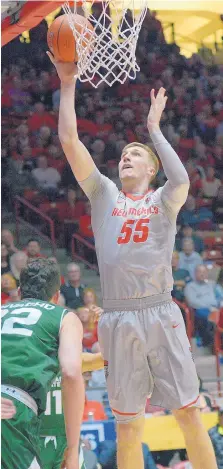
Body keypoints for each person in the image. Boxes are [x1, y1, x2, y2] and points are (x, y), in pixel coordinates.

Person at [49, 48, 217, 469]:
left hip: (160, 310)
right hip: (118, 316)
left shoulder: (164, 199)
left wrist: (153, 130)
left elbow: (182, 178)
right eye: (123, 153)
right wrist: (68, 83)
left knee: (188, 414)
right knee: (128, 426)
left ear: (151, 168)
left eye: (135, 154)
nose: (126, 156)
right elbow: (69, 141)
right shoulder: (105, 195)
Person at [1, 258, 85, 469]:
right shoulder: (63, 317)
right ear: (56, 296)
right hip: (11, 410)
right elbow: (72, 372)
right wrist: (73, 450)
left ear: (20, 292)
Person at [39, 351, 104, 469]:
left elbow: (99, 359)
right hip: (36, 437)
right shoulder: (30, 360)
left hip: (65, 440)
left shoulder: (73, 359)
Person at [184, 265, 220, 346]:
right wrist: (210, 307)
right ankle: (211, 344)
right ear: (195, 274)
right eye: (199, 272)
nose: (202, 274)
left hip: (215, 309)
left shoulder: (212, 284)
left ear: (207, 273)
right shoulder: (190, 286)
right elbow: (192, 302)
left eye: (204, 272)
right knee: (209, 318)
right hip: (199, 310)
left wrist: (217, 305)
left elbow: (220, 296)